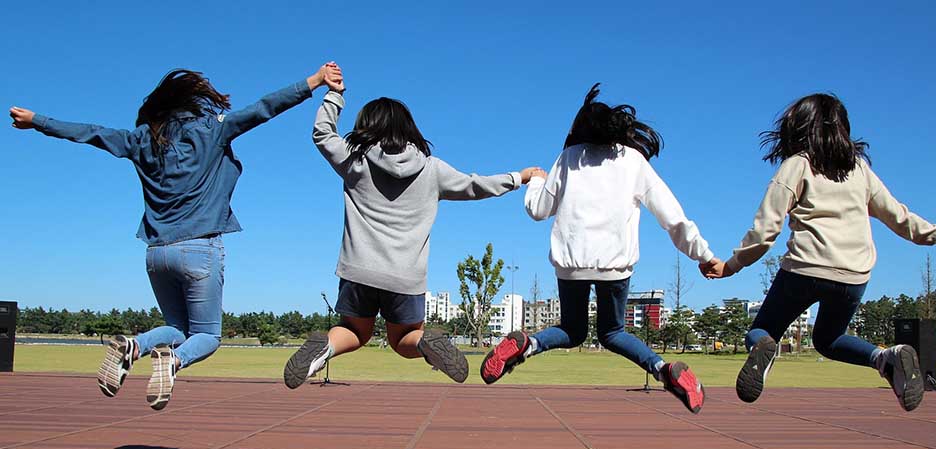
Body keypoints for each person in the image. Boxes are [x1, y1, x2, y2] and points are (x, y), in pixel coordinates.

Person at [10, 64, 332, 409]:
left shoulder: (140, 139)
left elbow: (92, 133)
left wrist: (38, 121)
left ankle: (135, 346)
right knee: (207, 336)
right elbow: (264, 108)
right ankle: (173, 362)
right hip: (199, 249)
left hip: (156, 253)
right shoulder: (211, 130)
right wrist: (314, 81)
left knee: (177, 328)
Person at [703, 93, 936, 412]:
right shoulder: (859, 170)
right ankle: (885, 357)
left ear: (798, 129)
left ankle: (764, 347)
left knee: (762, 331)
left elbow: (765, 232)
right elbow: (897, 216)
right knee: (828, 340)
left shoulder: (797, 165)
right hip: (853, 276)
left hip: (804, 269)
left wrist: (731, 266)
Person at [282, 63, 543, 387]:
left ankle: (325, 347)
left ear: (367, 126)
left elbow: (323, 134)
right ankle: (425, 344)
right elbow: (476, 186)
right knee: (404, 339)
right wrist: (519, 178)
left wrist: (334, 95)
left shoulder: (356, 160)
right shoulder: (432, 170)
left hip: (357, 270)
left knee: (354, 331)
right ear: (409, 129)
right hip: (405, 277)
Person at [479, 84, 717, 413]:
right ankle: (664, 370)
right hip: (614, 266)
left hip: (571, 264)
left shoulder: (568, 158)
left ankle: (527, 344)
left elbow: (537, 210)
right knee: (613, 331)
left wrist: (535, 179)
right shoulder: (633, 161)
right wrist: (703, 255)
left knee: (571, 330)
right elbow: (672, 217)